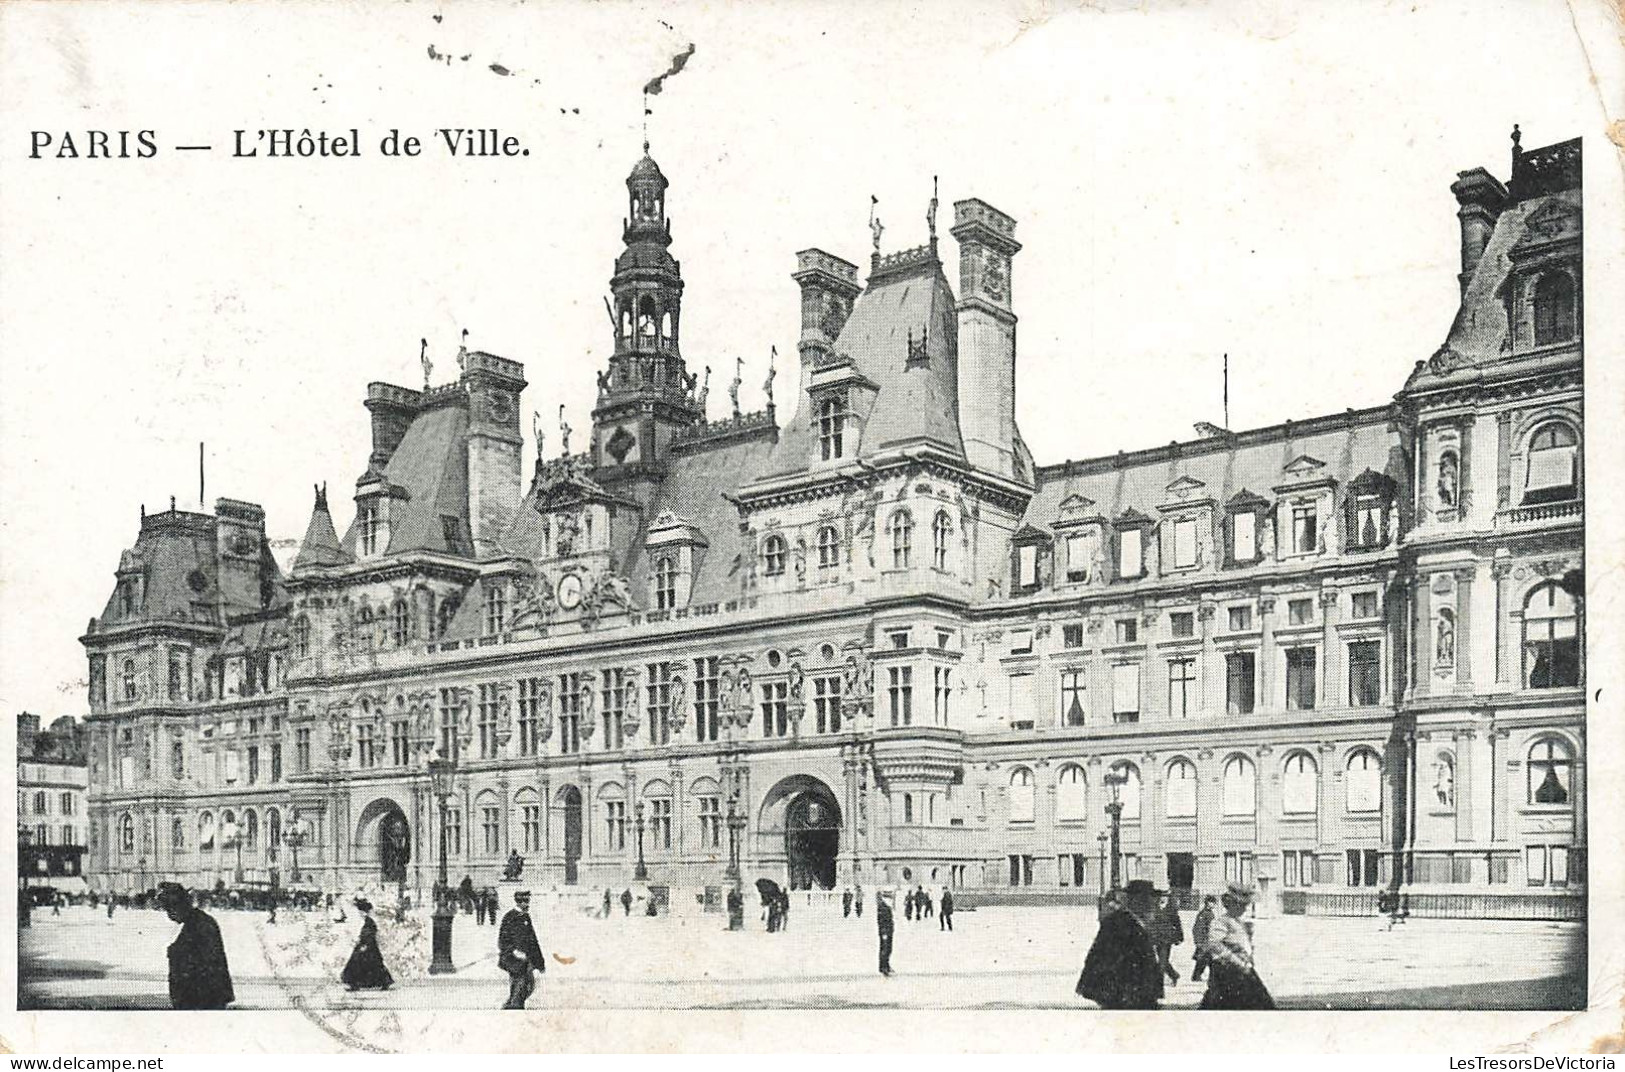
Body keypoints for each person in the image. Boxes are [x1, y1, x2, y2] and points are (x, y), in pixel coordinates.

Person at [1075, 879, 1165, 1010]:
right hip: (1125, 998)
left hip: (1137, 996)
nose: (1154, 902)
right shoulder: (1117, 923)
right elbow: (1101, 959)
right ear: (1137, 900)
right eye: (1149, 898)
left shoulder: (1138, 922)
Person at [156, 883, 234, 1010]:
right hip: (197, 997)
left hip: (202, 999)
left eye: (169, 910)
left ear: (179, 906)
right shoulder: (194, 922)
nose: (169, 915)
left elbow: (208, 965)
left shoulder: (201, 924)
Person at [1199, 883, 1275, 1009]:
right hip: (1227, 970)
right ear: (1232, 905)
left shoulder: (1239, 922)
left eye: (1245, 905)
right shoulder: (1221, 921)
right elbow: (1214, 944)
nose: (1245, 909)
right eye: (1242, 906)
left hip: (1243, 969)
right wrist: (1237, 961)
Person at [497, 889, 546, 1010]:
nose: (527, 904)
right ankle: (514, 1007)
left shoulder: (525, 917)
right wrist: (513, 951)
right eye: (524, 901)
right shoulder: (510, 917)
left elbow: (533, 940)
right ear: (518, 902)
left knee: (529, 985)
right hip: (515, 959)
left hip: (526, 958)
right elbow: (503, 938)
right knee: (520, 985)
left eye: (527, 901)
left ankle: (511, 1004)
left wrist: (540, 962)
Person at [342, 897, 395, 991]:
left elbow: (369, 935)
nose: (360, 914)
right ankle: (380, 983)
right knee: (370, 965)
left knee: (361, 964)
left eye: (361, 912)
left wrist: (364, 945)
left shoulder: (369, 922)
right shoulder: (368, 921)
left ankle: (356, 983)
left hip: (368, 946)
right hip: (367, 946)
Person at [1150, 894, 1185, 986]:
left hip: (1167, 939)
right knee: (1163, 960)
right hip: (1157, 938)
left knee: (1162, 961)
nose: (1163, 898)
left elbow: (1177, 924)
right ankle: (1174, 975)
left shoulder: (1171, 909)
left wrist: (1180, 937)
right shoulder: (1154, 908)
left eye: (1165, 896)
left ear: (1168, 898)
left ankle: (1159, 983)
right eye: (1161, 896)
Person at [1191, 896, 1217, 982]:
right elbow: (1197, 928)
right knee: (1205, 959)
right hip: (1204, 941)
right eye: (1211, 902)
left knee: (1206, 959)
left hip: (1208, 940)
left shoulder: (1209, 913)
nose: (1212, 904)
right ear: (1207, 903)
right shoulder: (1204, 914)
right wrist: (1198, 941)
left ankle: (1197, 976)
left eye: (1213, 902)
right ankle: (1197, 976)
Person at [876, 890, 895, 976]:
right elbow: (881, 921)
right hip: (885, 931)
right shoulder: (883, 907)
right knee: (885, 949)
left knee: (887, 948)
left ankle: (885, 965)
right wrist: (884, 932)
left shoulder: (886, 907)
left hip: (888, 930)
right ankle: (884, 967)